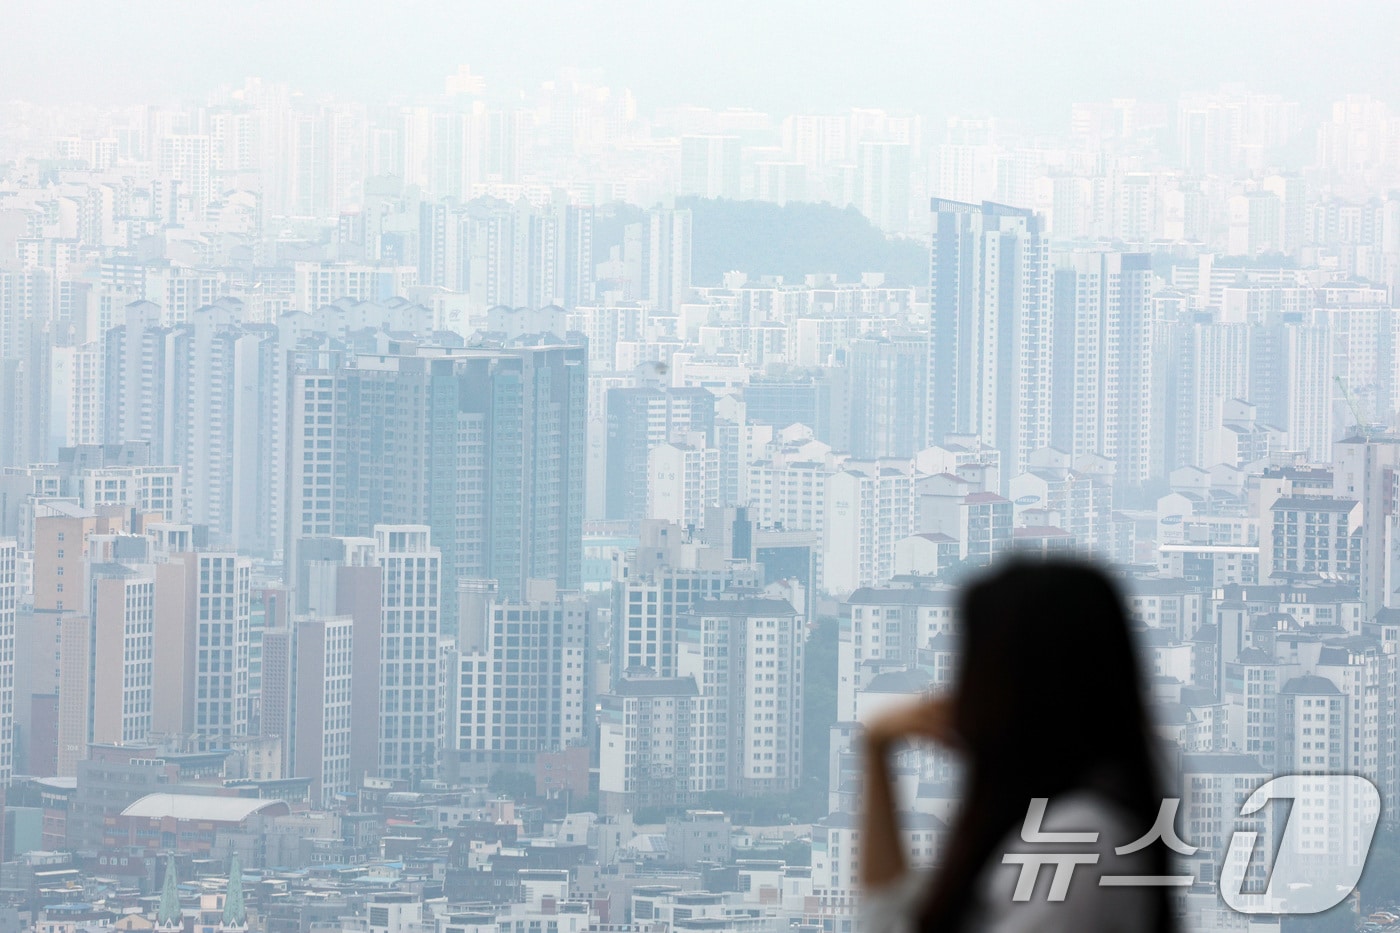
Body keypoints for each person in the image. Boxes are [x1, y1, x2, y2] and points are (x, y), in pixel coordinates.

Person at [860, 559, 1176, 932]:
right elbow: (895, 917)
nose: (957, 693)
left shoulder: (1072, 841)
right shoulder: (1057, 824)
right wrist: (876, 751)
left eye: (971, 667)